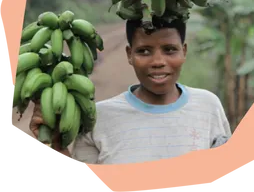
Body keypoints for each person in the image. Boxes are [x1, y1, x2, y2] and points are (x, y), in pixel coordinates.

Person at [29, 17, 232, 165]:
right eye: (144, 51)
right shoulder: (97, 118)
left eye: (170, 50)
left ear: (184, 51)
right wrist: (52, 145)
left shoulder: (208, 106)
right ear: (129, 54)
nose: (158, 62)